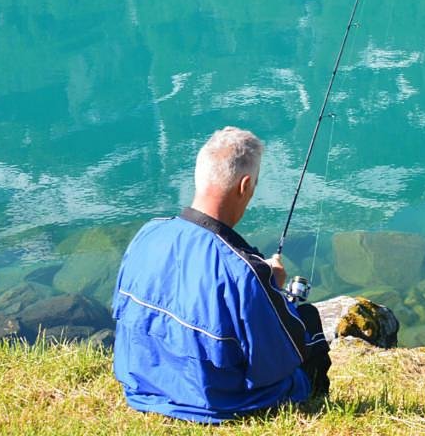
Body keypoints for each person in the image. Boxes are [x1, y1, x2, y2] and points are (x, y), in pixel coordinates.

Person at [113, 126, 331, 422]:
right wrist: (275, 294)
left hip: (143, 383)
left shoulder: (147, 234)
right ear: (244, 186)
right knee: (307, 322)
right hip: (217, 401)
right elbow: (277, 360)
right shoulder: (246, 272)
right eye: (254, 184)